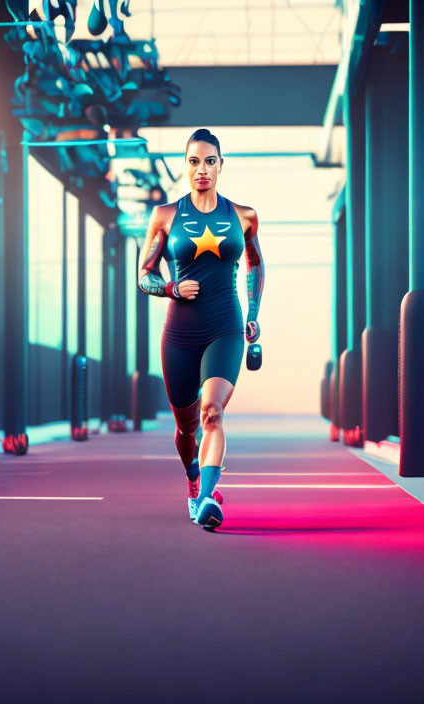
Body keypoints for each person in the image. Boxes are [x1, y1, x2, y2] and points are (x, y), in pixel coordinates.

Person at [137, 128, 265, 528]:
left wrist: (253, 313)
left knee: (212, 412)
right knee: (186, 427)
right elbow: (143, 274)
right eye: (194, 161)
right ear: (186, 166)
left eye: (210, 161)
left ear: (221, 166)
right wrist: (171, 287)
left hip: (224, 327)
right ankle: (194, 479)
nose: (202, 169)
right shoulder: (164, 216)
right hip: (178, 335)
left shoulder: (243, 216)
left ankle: (208, 498)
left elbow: (255, 265)